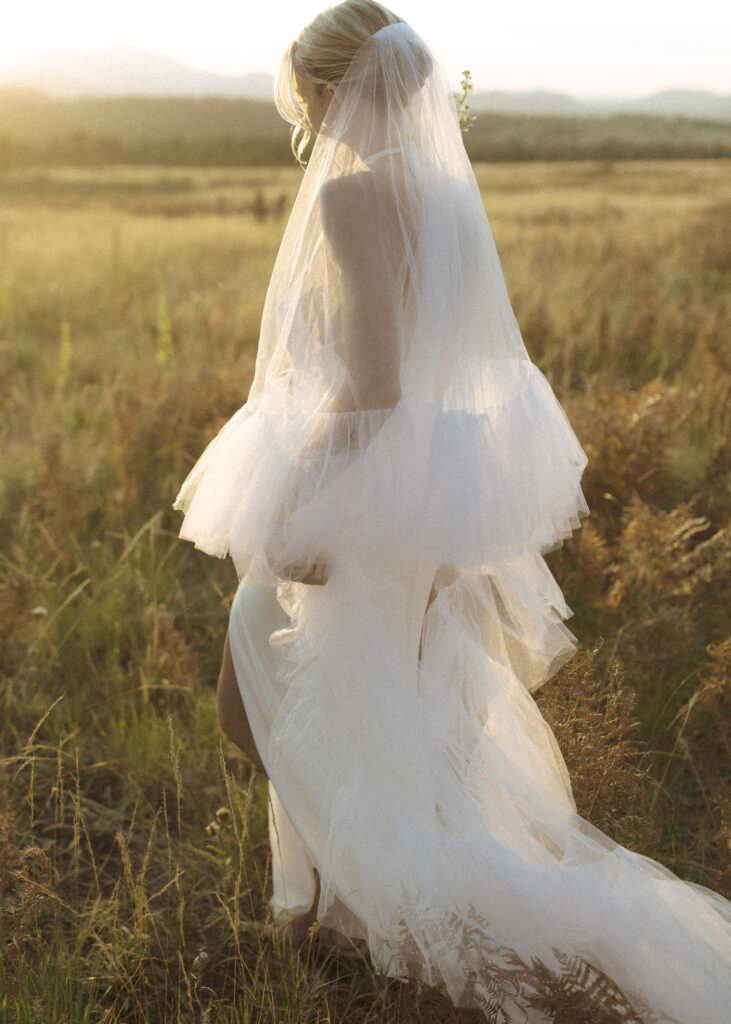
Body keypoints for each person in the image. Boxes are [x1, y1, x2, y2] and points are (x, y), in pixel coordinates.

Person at [175, 2, 731, 1020]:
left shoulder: (352, 194)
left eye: (307, 91)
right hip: (423, 498)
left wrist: (300, 497)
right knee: (383, 714)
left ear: (331, 89)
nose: (302, 110)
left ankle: (417, 907)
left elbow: (376, 384)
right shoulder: (436, 190)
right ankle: (340, 912)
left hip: (367, 492)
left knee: (260, 679)